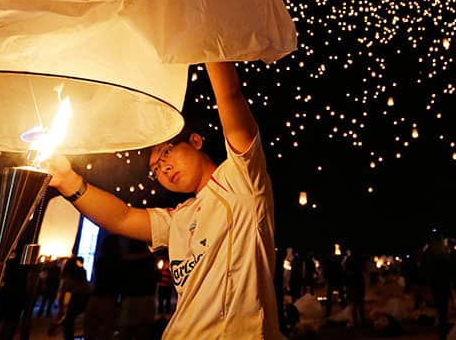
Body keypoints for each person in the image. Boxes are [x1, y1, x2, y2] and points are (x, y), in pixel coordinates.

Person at [45, 61, 283, 338]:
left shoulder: (240, 182)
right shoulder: (178, 217)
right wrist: (68, 181)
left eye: (166, 153)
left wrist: (209, 43)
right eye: (155, 169)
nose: (163, 169)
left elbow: (230, 95)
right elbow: (122, 217)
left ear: (195, 141)